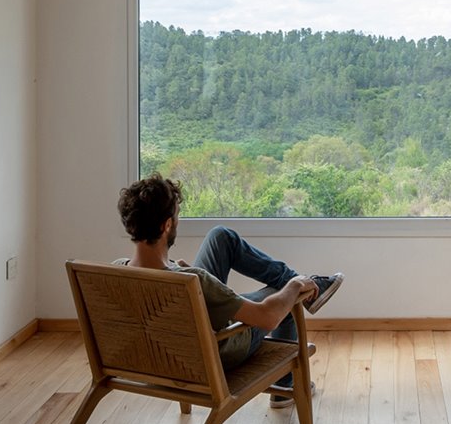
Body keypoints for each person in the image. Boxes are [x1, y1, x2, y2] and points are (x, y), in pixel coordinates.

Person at [117, 172, 344, 407]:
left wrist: (175, 269)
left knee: (221, 237)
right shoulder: (191, 280)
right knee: (285, 292)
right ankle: (284, 384)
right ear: (166, 225)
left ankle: (305, 286)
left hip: (164, 353)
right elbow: (267, 317)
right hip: (216, 350)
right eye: (177, 216)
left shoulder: (115, 271)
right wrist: (295, 285)